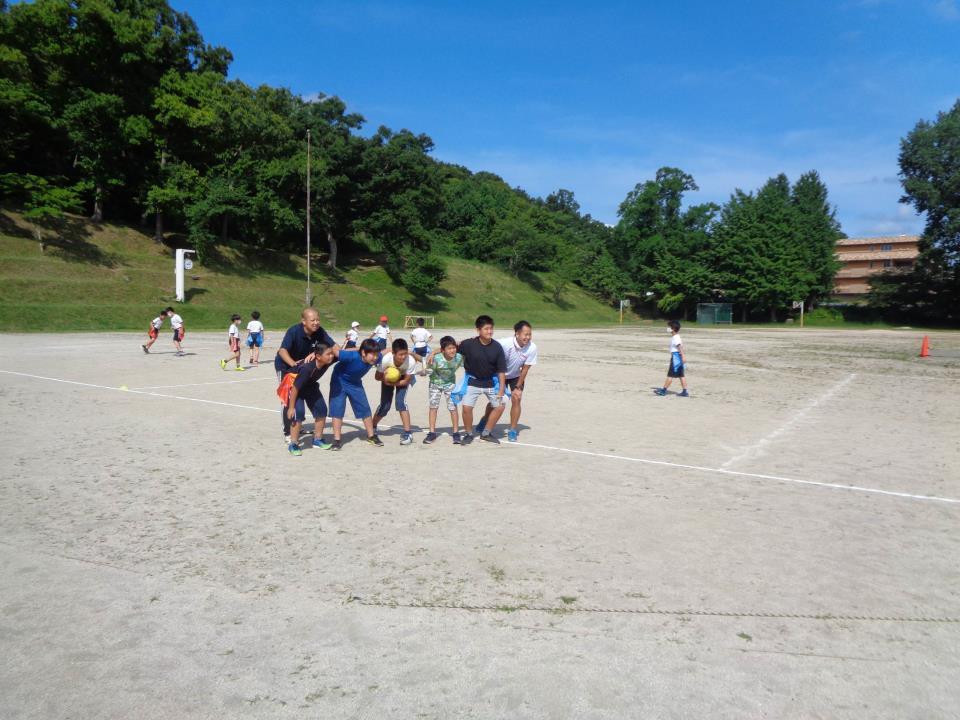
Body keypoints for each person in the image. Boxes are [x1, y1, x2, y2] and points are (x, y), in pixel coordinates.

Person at [275, 308, 339, 441]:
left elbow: (334, 346)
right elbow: (282, 351)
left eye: (318, 320)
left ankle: (298, 426)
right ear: (304, 321)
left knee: (305, 390)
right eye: (312, 320)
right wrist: (294, 365)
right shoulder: (294, 331)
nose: (316, 323)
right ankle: (288, 432)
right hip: (286, 366)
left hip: (304, 367)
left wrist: (341, 353)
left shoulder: (319, 331)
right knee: (288, 397)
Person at [277, 342, 337, 455]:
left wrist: (360, 348)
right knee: (298, 414)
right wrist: (291, 408)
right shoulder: (307, 368)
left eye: (332, 353)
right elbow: (295, 388)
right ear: (318, 356)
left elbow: (343, 352)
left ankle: (317, 440)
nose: (331, 356)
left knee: (322, 410)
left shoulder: (327, 360)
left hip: (310, 385)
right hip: (294, 387)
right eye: (328, 354)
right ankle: (293, 444)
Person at [483, 320, 538, 442]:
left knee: (517, 398)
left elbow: (525, 369)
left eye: (530, 334)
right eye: (525, 334)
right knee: (496, 401)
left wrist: (518, 386)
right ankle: (485, 419)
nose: (528, 337)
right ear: (517, 334)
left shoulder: (532, 347)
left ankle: (513, 430)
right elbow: (486, 345)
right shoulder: (504, 343)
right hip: (499, 374)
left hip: (516, 376)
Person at [457, 315, 507, 445]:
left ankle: (486, 433)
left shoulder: (497, 347)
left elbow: (501, 370)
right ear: (478, 330)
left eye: (491, 328)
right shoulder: (468, 344)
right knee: (466, 408)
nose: (489, 331)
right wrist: (434, 352)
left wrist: (501, 389)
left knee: (500, 406)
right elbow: (451, 348)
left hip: (491, 382)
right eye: (486, 329)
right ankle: (468, 434)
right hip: (472, 381)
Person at [328, 338, 384, 450]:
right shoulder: (351, 356)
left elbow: (386, 351)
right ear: (363, 353)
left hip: (355, 383)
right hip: (339, 380)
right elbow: (335, 351)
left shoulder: (376, 358)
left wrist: (410, 353)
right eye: (372, 354)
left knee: (364, 407)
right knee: (337, 409)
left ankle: (371, 436)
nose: (375, 357)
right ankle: (337, 440)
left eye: (376, 354)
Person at [372, 338, 417, 446]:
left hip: (403, 378)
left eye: (405, 353)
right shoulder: (385, 360)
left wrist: (393, 384)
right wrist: (386, 380)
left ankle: (408, 433)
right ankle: (372, 426)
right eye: (400, 354)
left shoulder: (410, 361)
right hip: (386, 378)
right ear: (393, 353)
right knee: (385, 405)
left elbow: (406, 381)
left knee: (401, 402)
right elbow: (377, 377)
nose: (403, 357)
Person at [422, 336, 463, 445]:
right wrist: (424, 371)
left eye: (453, 348)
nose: (452, 350)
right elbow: (428, 370)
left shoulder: (459, 357)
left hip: (450, 384)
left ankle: (456, 432)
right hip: (435, 384)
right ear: (443, 350)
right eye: (449, 348)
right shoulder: (436, 359)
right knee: (433, 407)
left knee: (453, 407)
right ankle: (432, 433)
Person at [654, 320, 689, 397]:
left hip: (676, 358)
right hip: (678, 357)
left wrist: (683, 356)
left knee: (670, 375)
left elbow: (679, 346)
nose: (668, 328)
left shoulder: (676, 338)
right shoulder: (676, 337)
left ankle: (663, 391)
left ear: (673, 328)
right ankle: (685, 391)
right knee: (681, 375)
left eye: (669, 327)